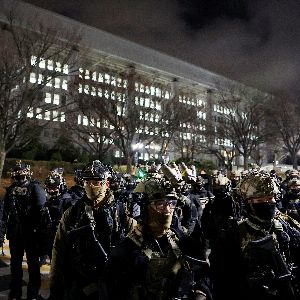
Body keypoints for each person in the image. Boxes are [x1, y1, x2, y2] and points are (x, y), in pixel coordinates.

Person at [105, 178, 212, 300]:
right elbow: (110, 288)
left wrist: (201, 292)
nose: (167, 211)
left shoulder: (183, 243)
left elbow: (203, 274)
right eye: (160, 204)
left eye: (171, 204)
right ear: (146, 208)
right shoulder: (127, 249)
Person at [48, 160, 136, 300]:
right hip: (81, 284)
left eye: (96, 182)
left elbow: (137, 249)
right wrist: (55, 286)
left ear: (106, 184)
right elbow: (58, 250)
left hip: (113, 284)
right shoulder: (73, 213)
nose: (91, 186)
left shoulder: (121, 213)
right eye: (87, 181)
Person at [210, 170, 300, 300]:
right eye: (260, 200)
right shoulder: (234, 232)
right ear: (248, 203)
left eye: (270, 198)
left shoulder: (284, 226)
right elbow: (221, 276)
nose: (267, 203)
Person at [0, 161, 47, 300]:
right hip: (15, 234)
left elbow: (42, 213)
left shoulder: (35, 188)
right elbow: (3, 214)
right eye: (17, 171)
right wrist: (1, 234)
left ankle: (33, 292)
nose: (19, 174)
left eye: (22, 171)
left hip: (31, 233)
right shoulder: (11, 191)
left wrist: (42, 236)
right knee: (15, 265)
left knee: (33, 264)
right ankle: (15, 291)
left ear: (27, 173)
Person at [42, 168, 74, 261]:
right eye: (49, 188)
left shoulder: (69, 202)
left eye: (54, 188)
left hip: (66, 244)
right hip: (52, 242)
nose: (51, 191)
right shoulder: (48, 203)